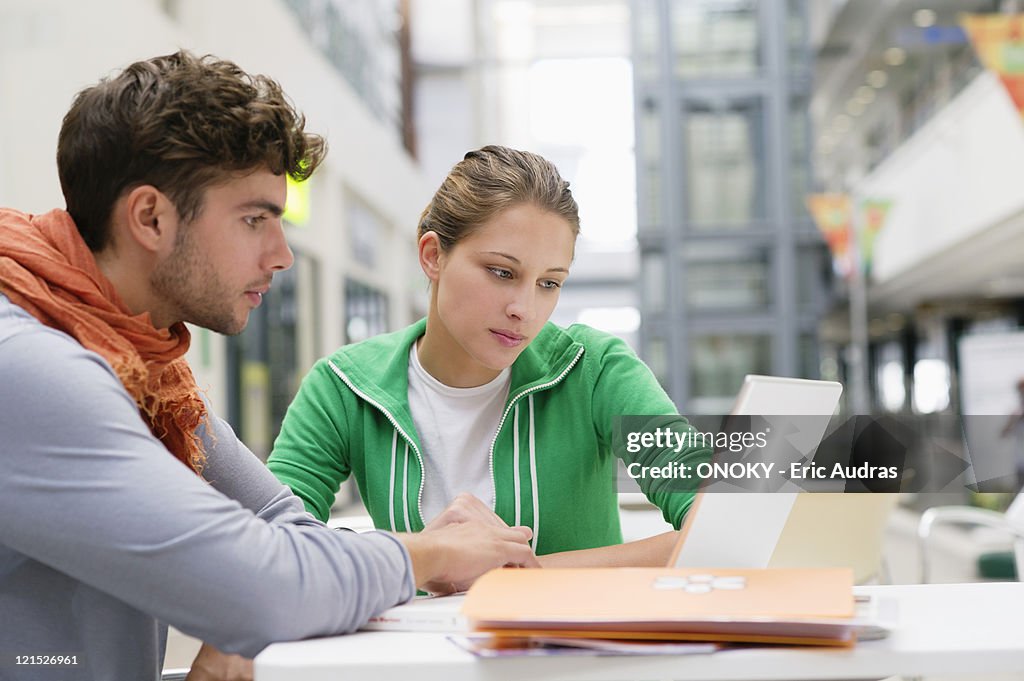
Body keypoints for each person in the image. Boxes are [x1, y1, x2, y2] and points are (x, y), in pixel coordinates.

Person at [0, 52, 536, 681]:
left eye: (552, 282)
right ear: (150, 218)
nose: (282, 256)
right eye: (255, 219)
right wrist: (429, 552)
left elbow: (287, 535)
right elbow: (262, 579)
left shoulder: (146, 369)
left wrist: (285, 591)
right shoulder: (33, 365)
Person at [268, 145, 711, 568]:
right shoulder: (343, 385)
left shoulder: (595, 368)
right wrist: (426, 555)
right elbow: (271, 545)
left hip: (570, 646)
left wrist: (528, 573)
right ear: (432, 256)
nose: (525, 308)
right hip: (410, 648)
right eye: (502, 272)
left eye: (549, 283)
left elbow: (732, 521)